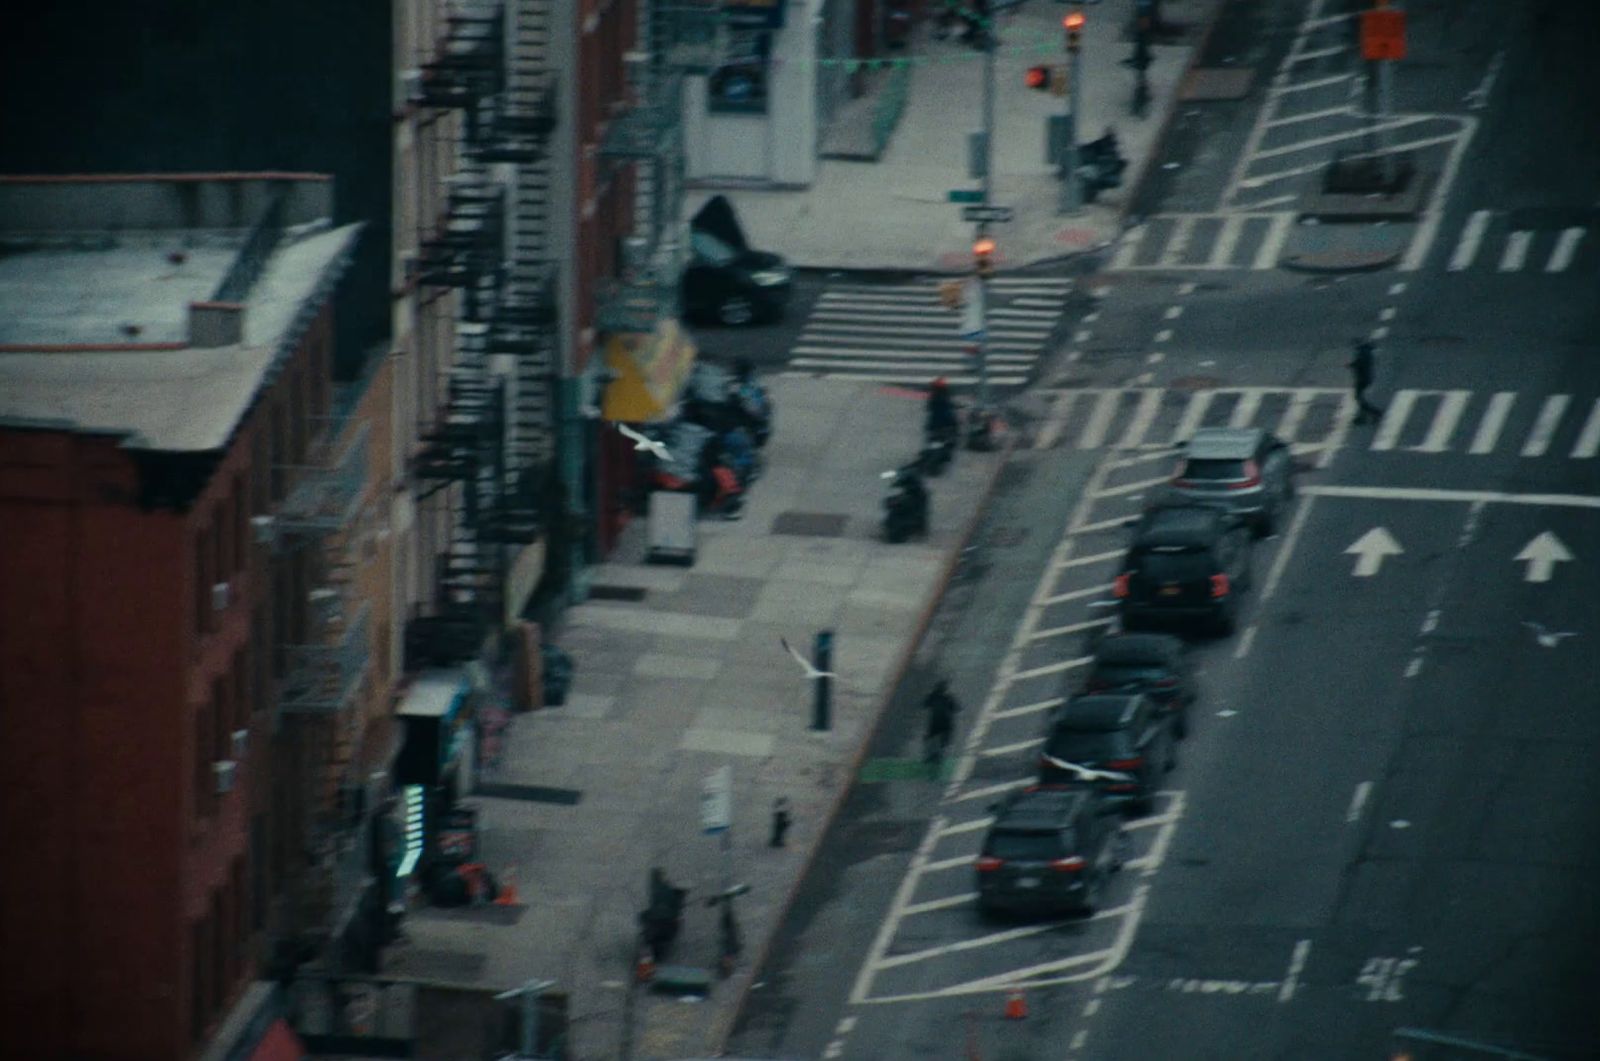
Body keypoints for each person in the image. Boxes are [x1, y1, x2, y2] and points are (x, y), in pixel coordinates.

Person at [924, 679, 961, 761]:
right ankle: (939, 754)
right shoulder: (948, 698)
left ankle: (931, 754)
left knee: (930, 737)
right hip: (946, 721)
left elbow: (925, 704)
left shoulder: (932, 696)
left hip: (935, 721)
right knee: (945, 739)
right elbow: (956, 708)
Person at [1349, 339, 1382, 424]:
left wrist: (1352, 365)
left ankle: (1375, 412)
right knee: (1360, 398)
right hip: (1365, 378)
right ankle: (1362, 417)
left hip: (1362, 379)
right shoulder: (1367, 352)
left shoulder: (1363, 353)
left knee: (1358, 398)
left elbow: (1360, 363)